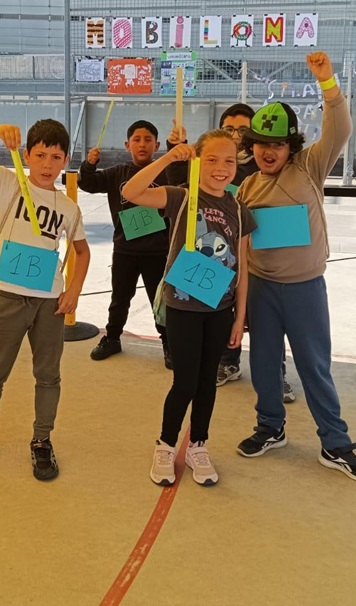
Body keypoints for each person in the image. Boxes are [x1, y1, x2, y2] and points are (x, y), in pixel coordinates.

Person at [236, 51, 356, 484]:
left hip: (305, 288)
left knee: (314, 365)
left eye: (277, 144)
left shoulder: (310, 166)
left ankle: (335, 442)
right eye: (261, 144)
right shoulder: (246, 186)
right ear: (252, 146)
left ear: (291, 146)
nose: (268, 152)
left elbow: (340, 129)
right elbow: (236, 245)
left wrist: (328, 83)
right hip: (261, 288)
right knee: (264, 364)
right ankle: (270, 427)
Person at [0, 119, 90, 481]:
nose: (47, 164)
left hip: (49, 303)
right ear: (26, 155)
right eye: (40, 155)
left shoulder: (68, 207)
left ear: (65, 160)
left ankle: (42, 440)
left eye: (55, 157)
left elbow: (82, 251)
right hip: (8, 297)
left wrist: (73, 289)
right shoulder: (10, 183)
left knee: (48, 375)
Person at [123, 130, 254, 487]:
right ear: (196, 161)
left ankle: (198, 444)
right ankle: (166, 444)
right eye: (211, 159)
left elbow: (242, 266)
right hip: (182, 306)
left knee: (208, 382)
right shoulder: (181, 196)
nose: (221, 168)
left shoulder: (239, 210)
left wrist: (240, 317)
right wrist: (168, 158)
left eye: (229, 161)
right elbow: (131, 192)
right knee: (184, 382)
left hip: (220, 308)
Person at [167, 104, 297, 401]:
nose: (236, 135)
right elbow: (183, 183)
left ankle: (277, 374)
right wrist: (176, 148)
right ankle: (228, 362)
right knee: (222, 311)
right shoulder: (215, 163)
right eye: (229, 128)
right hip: (220, 257)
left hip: (262, 254)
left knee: (265, 321)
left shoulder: (262, 165)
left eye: (242, 130)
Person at [79, 120, 173, 368]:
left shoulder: (166, 174)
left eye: (148, 140)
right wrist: (89, 164)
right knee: (120, 298)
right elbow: (88, 184)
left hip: (158, 252)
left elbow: (186, 177)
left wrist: (177, 146)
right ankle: (112, 338)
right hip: (125, 250)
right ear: (127, 145)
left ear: (157, 145)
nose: (142, 144)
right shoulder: (116, 174)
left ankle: (169, 343)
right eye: (136, 140)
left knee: (160, 300)